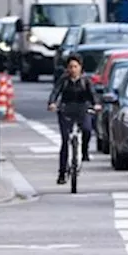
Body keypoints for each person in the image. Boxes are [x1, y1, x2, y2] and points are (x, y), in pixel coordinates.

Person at [48, 54, 98, 183]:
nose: (73, 70)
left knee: (87, 129)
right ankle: (62, 173)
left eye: (75, 67)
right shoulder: (63, 80)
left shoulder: (86, 80)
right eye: (70, 67)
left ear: (80, 67)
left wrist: (96, 104)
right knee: (65, 141)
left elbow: (92, 94)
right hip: (66, 110)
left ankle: (84, 151)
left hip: (83, 109)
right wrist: (52, 103)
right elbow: (55, 92)